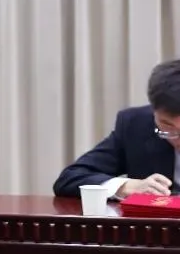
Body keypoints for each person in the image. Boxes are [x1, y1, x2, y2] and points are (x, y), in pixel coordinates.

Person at [53, 59, 180, 199]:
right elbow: (70, 178)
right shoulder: (136, 125)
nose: (177, 139)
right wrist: (124, 187)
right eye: (167, 125)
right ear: (154, 111)